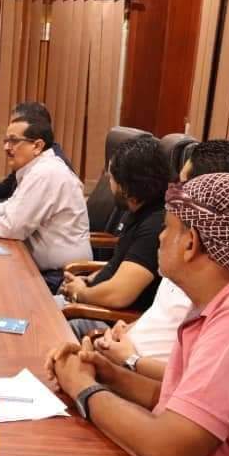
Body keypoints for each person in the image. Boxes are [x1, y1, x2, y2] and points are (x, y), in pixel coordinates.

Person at [45, 172, 229, 456]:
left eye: (168, 228)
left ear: (191, 243)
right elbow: (180, 403)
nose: (159, 236)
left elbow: (169, 447)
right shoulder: (216, 302)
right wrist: (110, 375)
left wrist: (84, 389)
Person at [94, 139, 229, 376]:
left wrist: (130, 361)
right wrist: (128, 330)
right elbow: (162, 315)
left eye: (183, 183)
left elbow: (185, 384)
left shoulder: (228, 298)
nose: (174, 190)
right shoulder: (183, 266)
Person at [0, 111, 91, 292]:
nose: (6, 147)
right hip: (44, 269)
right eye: (6, 141)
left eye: (14, 141)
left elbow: (12, 228)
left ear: (37, 146)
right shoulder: (37, 169)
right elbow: (13, 204)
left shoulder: (46, 173)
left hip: (63, 278)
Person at [57, 135, 170, 339]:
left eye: (111, 178)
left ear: (126, 186)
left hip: (111, 319)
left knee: (43, 319)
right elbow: (119, 265)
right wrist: (87, 280)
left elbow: (119, 294)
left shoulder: (155, 226)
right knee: (34, 305)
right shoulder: (138, 211)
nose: (109, 183)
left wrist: (81, 293)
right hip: (96, 301)